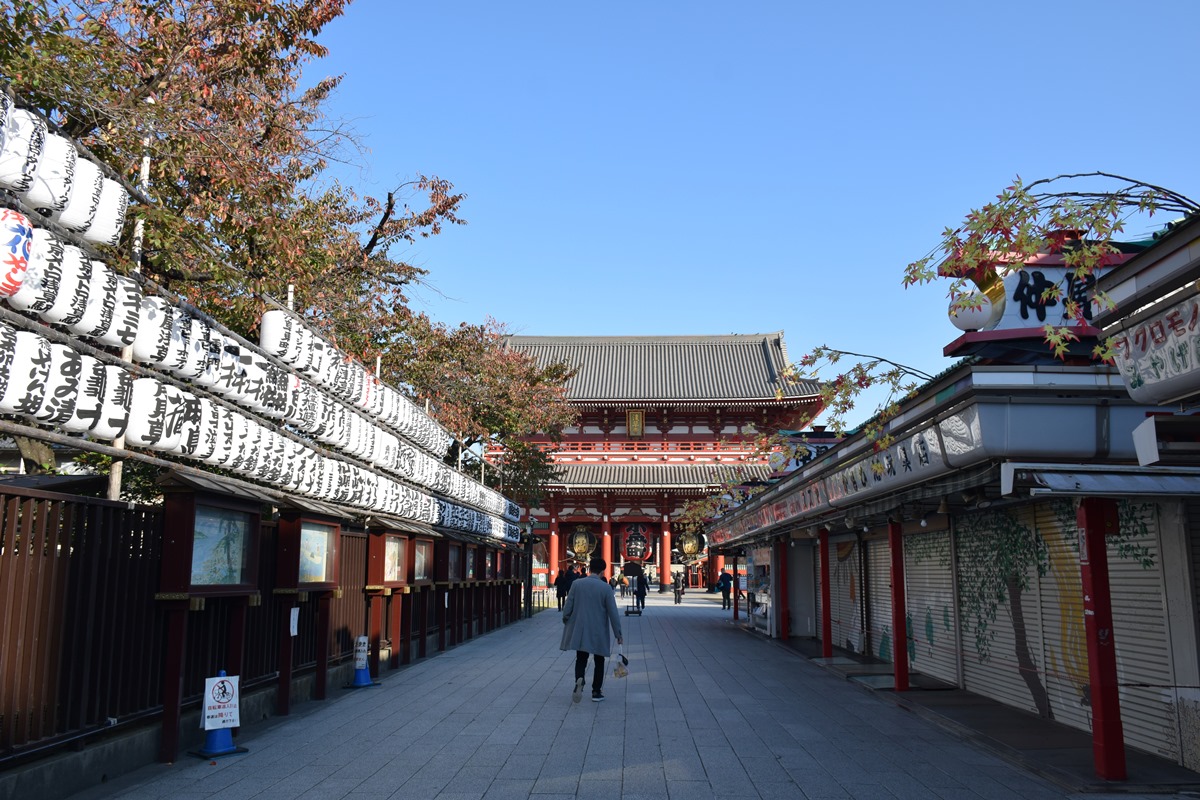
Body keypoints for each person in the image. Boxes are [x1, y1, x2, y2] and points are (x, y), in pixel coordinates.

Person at [560, 556, 623, 703]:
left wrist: (566, 618)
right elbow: (613, 613)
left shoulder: (577, 584)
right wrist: (618, 634)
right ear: (602, 571)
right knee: (599, 660)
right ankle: (596, 691)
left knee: (581, 658)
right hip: (598, 629)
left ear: (590, 569)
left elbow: (568, 606)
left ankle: (579, 679)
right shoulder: (606, 588)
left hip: (581, 628)